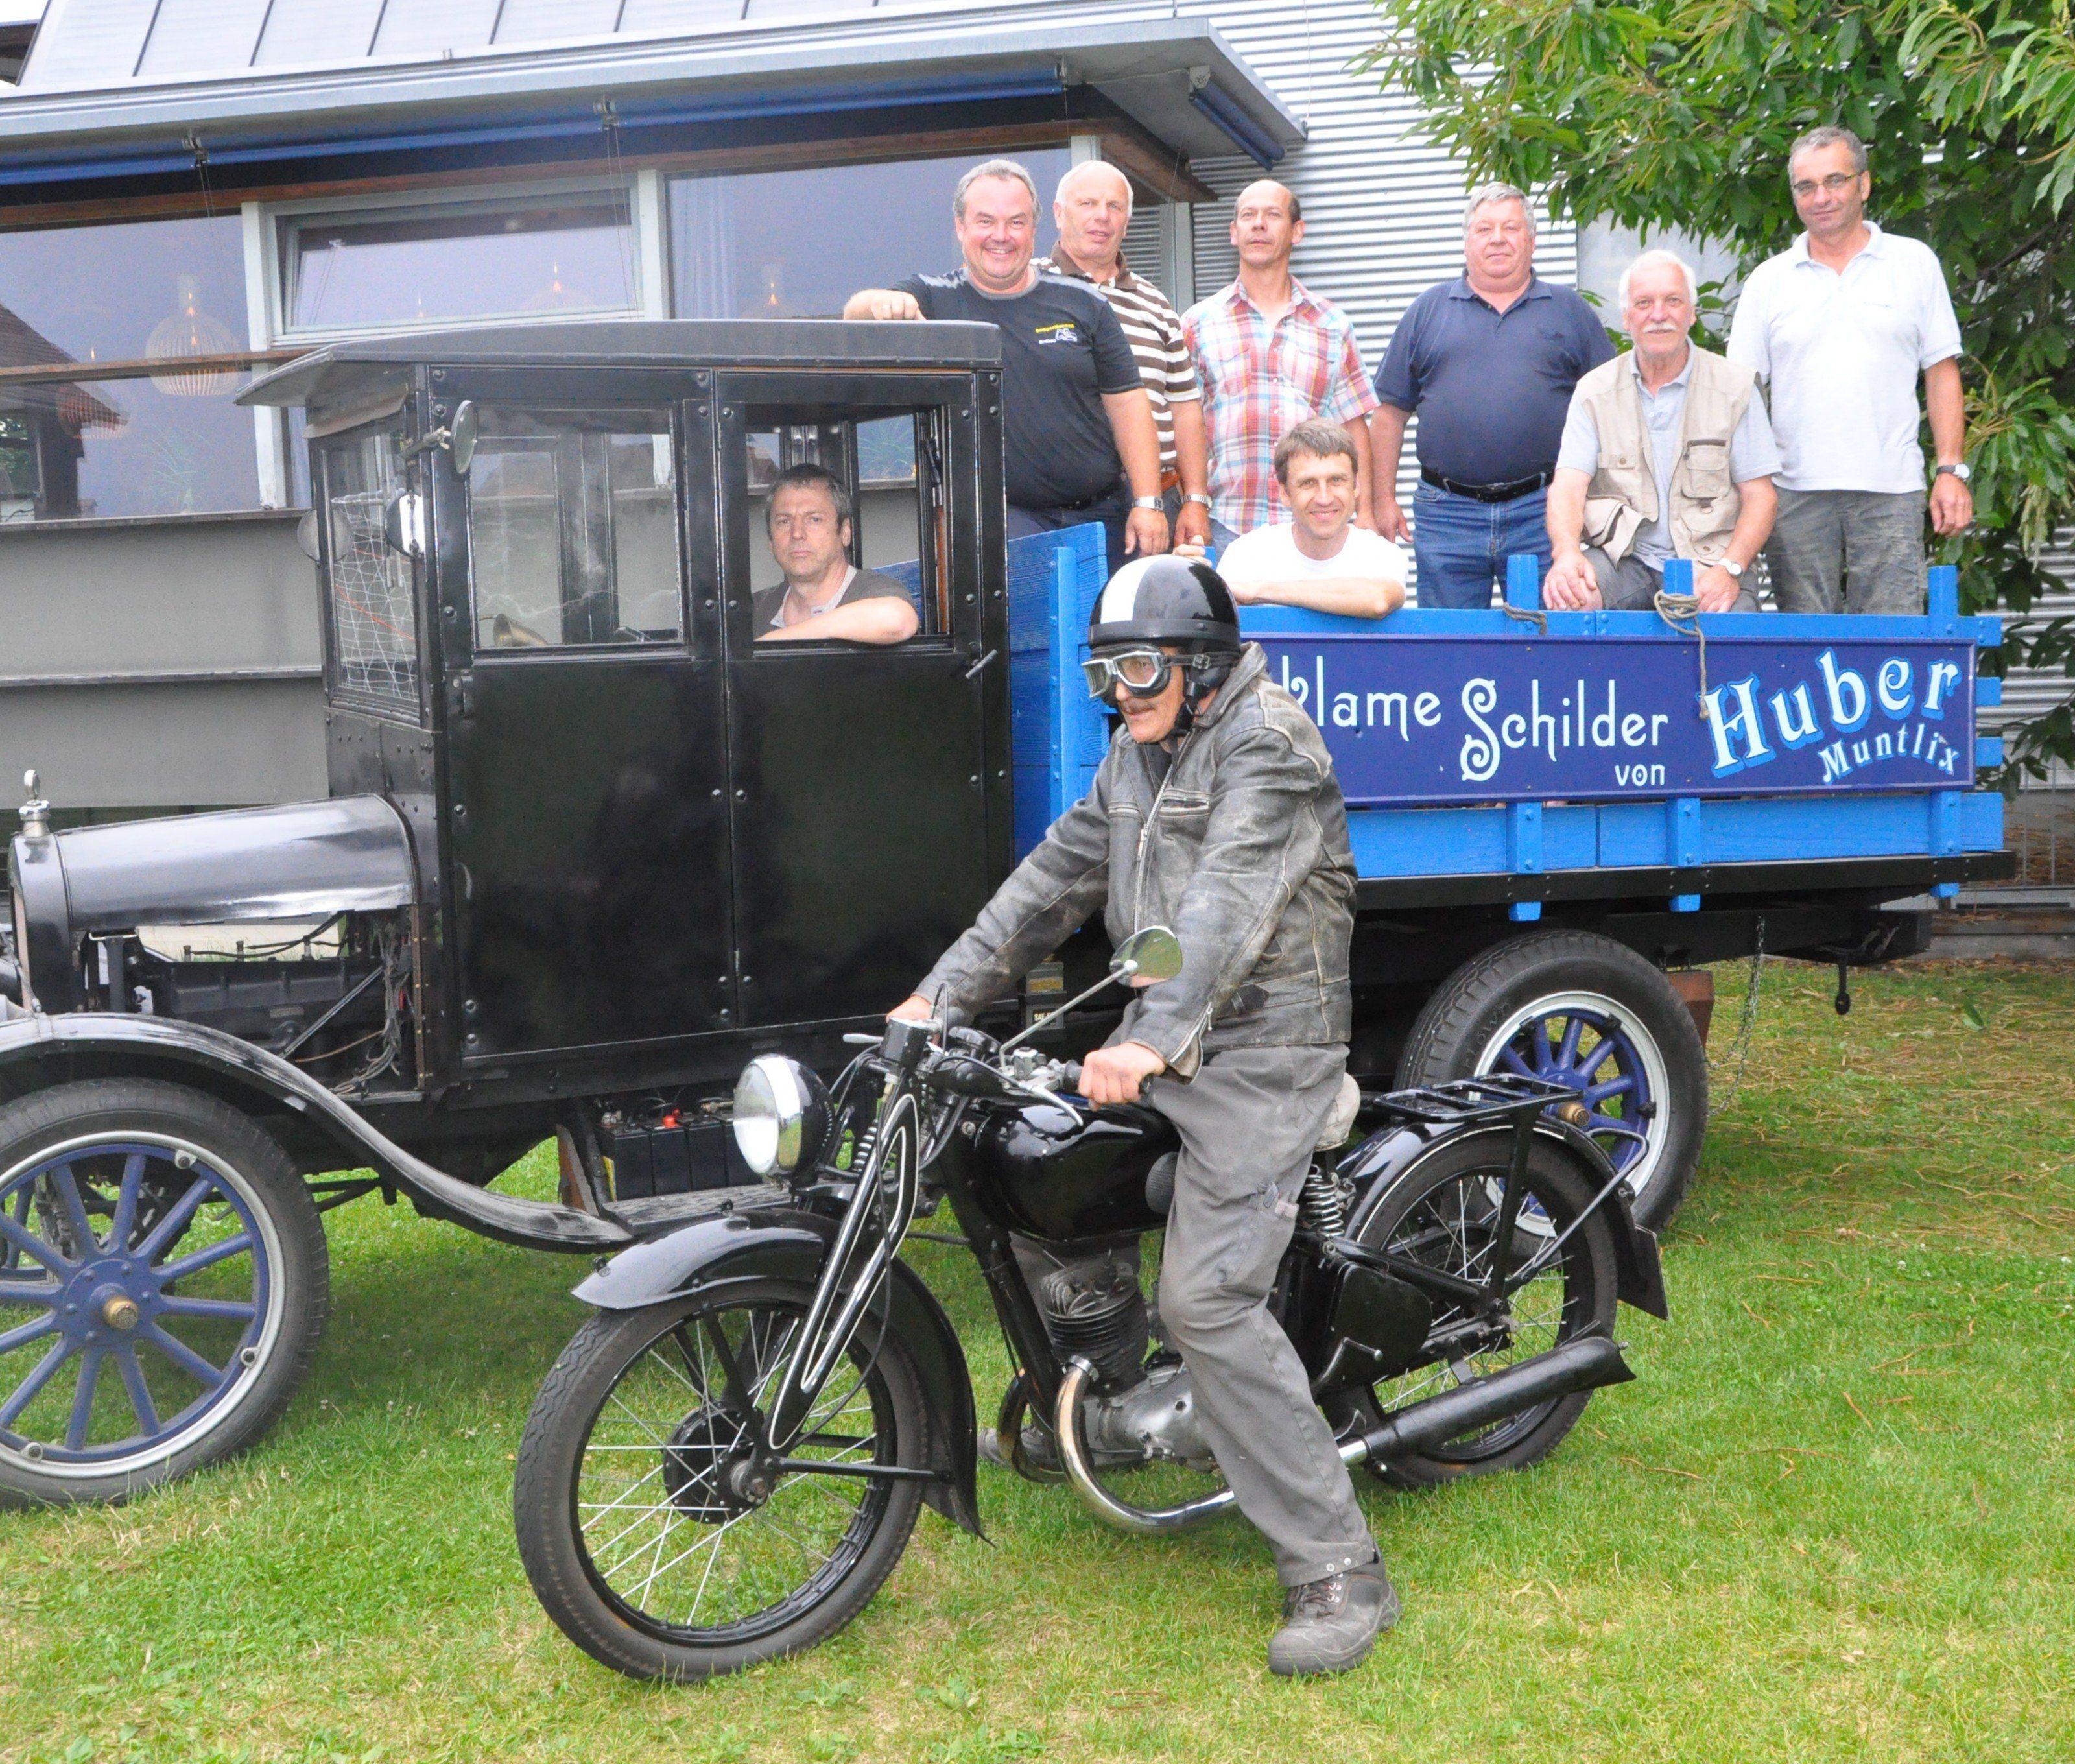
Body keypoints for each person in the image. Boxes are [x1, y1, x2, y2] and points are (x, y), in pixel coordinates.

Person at [889, 556, 1394, 1677]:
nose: (1120, 688)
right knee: (1019, 1161)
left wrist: (1150, 1038)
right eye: (1106, 670)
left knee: (1207, 1298)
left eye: (1141, 666)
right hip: (1164, 1037)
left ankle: (1338, 1562)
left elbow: (1227, 908)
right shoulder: (1137, 749)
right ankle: (1116, 1400)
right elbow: (1053, 876)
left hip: (1266, 1051)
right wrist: (939, 994)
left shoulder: (1271, 744)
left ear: (1202, 667)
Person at [844, 158, 1166, 573]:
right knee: (1028, 630)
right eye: (985, 221)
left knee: (1117, 631)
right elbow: (854, 315)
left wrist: (1148, 503)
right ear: (960, 227)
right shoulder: (935, 298)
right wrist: (881, 304)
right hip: (1006, 522)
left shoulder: (1085, 303)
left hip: (1105, 517)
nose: (1001, 236)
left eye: (1016, 222)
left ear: (1034, 229)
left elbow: (1128, 405)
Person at [1726, 125, 1971, 614]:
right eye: (1806, 187)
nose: (1821, 197)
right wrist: (1749, 490)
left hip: (1891, 488)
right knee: (1803, 648)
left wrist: (1951, 469)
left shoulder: (1914, 264)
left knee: (1891, 645)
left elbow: (1941, 372)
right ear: (1794, 196)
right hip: (1794, 494)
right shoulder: (1767, 282)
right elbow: (1739, 395)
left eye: (1835, 181)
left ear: (1864, 184)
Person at [1370, 184, 1615, 608]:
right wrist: (1381, 500)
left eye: (1511, 227)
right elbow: (1390, 415)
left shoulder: (1569, 310)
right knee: (1454, 650)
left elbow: (1612, 412)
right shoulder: (1427, 310)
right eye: (1484, 229)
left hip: (1544, 513)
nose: (1498, 238)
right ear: (1467, 242)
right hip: (1447, 513)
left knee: (1546, 642)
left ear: (1532, 241)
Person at [1543, 251, 1779, 614]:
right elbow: (1568, 486)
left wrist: (1730, 568)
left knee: (1731, 640)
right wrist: (1567, 554)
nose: (1658, 314)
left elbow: (1760, 496)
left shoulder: (1736, 388)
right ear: (1626, 317)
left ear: (1692, 313)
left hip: (1711, 562)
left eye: (1673, 301)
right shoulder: (1594, 391)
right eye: (1643, 303)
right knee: (1569, 598)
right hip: (1626, 561)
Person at [1182, 180, 1381, 543]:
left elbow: (1354, 426)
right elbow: (1186, 423)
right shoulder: (1198, 323)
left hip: (1315, 530)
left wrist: (1365, 512)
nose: (1259, 224)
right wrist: (1192, 503)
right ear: (1233, 232)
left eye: (1273, 215)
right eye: (1248, 215)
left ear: (1297, 231)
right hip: (1226, 526)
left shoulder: (1332, 324)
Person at [1037, 160, 1215, 551]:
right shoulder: (1028, 289)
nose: (1102, 216)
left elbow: (1185, 408)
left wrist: (1195, 500)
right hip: (1053, 508)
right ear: (1058, 212)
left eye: (1114, 207)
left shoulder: (1156, 304)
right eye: (1088, 203)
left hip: (1154, 503)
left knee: (1146, 610)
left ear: (1127, 220)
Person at [1200, 419, 1406, 618]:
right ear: (1285, 493)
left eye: (1336, 480)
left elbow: (1378, 601)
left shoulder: (1381, 555)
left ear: (1356, 486)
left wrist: (1259, 591)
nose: (1324, 498)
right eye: (1308, 483)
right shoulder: (1246, 554)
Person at [752, 464, 919, 644]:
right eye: (784, 521)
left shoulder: (872, 592)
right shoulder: (756, 610)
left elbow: (897, 620)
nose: (797, 533)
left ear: (845, 532)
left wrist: (773, 641)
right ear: (771, 540)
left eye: (814, 519)